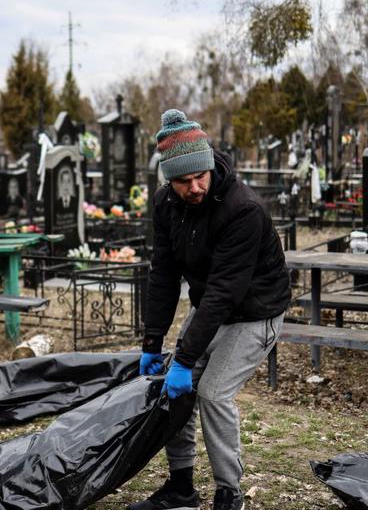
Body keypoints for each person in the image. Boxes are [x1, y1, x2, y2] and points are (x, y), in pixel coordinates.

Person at [132, 110, 291, 510]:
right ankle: (181, 488)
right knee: (173, 389)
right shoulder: (165, 203)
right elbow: (164, 274)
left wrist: (185, 357)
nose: (195, 186)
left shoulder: (243, 209)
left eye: (200, 175)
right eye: (183, 181)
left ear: (208, 164)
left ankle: (229, 494)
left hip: (256, 311)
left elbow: (226, 291)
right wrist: (153, 341)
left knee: (213, 394)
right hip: (211, 308)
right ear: (169, 179)